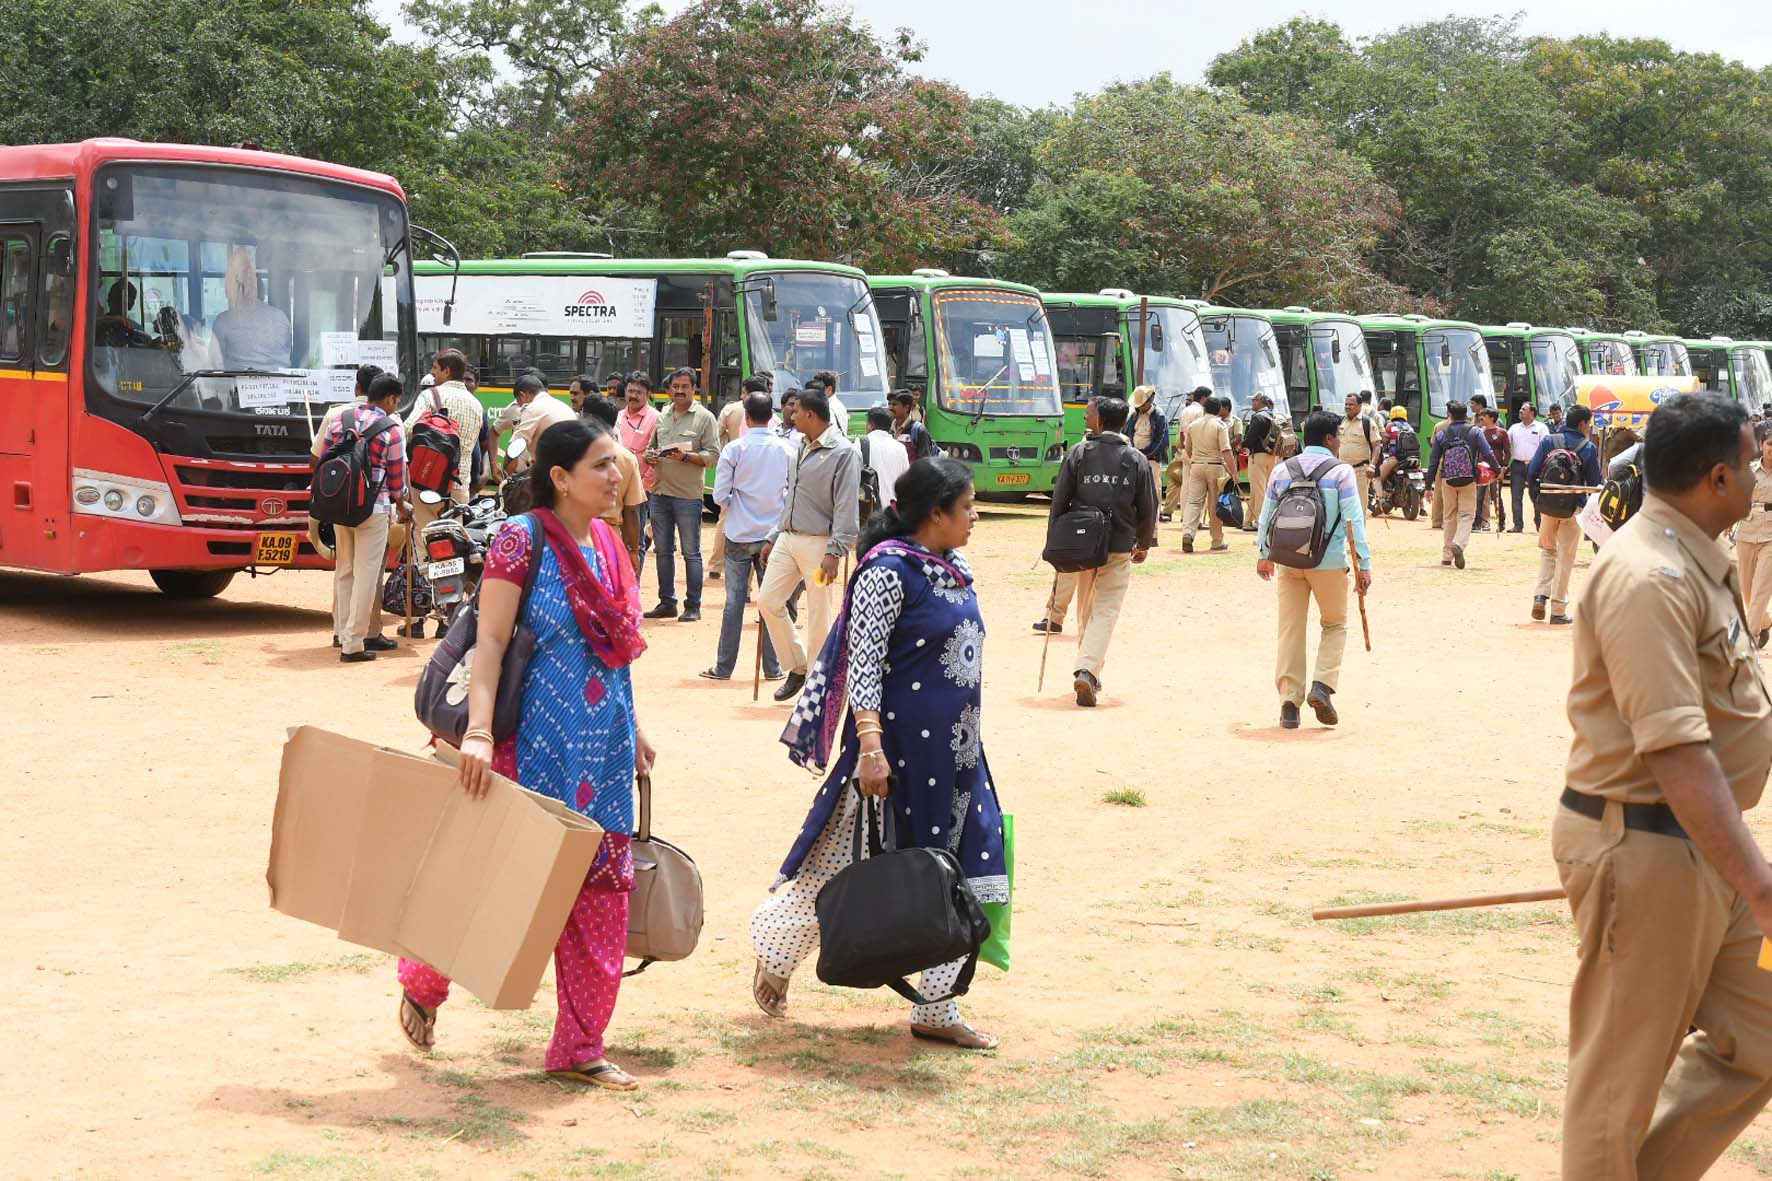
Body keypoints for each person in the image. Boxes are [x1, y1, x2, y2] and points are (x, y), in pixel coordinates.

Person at [396, 418, 654, 1093]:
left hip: (599, 753)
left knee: (600, 895)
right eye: (601, 465)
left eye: (617, 464)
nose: (615, 476)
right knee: (483, 880)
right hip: (528, 748)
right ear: (561, 476)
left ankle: (579, 1045)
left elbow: (612, 651)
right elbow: (490, 641)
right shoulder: (522, 537)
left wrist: (637, 728)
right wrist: (477, 730)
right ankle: (423, 983)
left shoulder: (609, 543)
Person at [1551, 392, 1772, 1179]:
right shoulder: (1649, 576)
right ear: (1717, 476)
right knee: (1618, 1084)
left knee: (1763, 1032)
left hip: (1707, 849)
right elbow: (1678, 754)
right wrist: (1761, 882)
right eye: (1751, 461)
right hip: (1647, 850)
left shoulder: (1695, 559)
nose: (1758, 472)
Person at [750, 458, 1004, 1050]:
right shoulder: (887, 572)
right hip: (890, 753)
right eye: (966, 507)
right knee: (852, 868)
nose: (974, 516)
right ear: (935, 513)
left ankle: (937, 1009)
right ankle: (775, 948)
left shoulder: (955, 568)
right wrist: (870, 747)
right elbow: (862, 662)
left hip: (958, 752)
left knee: (959, 869)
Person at [1254, 409, 1373, 728]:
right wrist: (1364, 565)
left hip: (1288, 559)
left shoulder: (1282, 470)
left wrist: (1264, 554)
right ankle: (1321, 685)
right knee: (1334, 624)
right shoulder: (1341, 472)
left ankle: (1289, 704)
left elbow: (1266, 516)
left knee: (1290, 629)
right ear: (1331, 438)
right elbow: (1353, 520)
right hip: (1329, 560)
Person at [1048, 396, 1156, 706]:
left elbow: (1059, 500)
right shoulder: (1135, 459)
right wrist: (1145, 543)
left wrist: (1055, 543)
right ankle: (1088, 670)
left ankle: (1089, 668)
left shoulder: (1078, 453)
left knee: (1086, 610)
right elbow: (1148, 506)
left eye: (1088, 414)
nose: (1085, 419)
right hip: (1119, 546)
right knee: (1105, 610)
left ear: (1099, 420)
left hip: (1081, 545)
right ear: (1124, 423)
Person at [756, 391, 859, 701]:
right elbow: (792, 498)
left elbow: (845, 506)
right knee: (768, 601)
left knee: (819, 615)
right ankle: (799, 666)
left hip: (820, 545)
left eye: (796, 411)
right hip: (787, 538)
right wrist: (774, 535)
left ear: (811, 415)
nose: (791, 415)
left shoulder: (844, 452)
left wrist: (835, 551)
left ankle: (818, 684)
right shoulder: (799, 446)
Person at [703, 392, 793, 681]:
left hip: (739, 534)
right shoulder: (787, 450)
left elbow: (719, 496)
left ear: (747, 414)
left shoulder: (734, 450)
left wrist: (738, 506)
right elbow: (792, 494)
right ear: (772, 416)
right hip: (773, 536)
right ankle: (774, 667)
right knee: (772, 602)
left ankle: (724, 667)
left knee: (734, 603)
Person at [320, 374, 408, 662]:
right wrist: (403, 506)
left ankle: (340, 632)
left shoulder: (339, 420)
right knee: (367, 575)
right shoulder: (391, 430)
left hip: (338, 505)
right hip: (373, 509)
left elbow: (324, 459)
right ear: (391, 399)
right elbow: (397, 482)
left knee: (345, 570)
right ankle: (353, 643)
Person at [642, 367, 719, 622]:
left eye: (684, 386)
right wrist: (650, 456)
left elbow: (713, 456)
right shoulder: (663, 415)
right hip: (660, 493)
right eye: (675, 386)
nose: (679, 391)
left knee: (691, 552)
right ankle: (667, 602)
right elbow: (651, 448)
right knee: (662, 551)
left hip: (688, 496)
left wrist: (686, 457)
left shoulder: (705, 418)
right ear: (669, 388)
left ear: (693, 389)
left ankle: (693, 605)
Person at [1528, 403, 1602, 623]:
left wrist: (1538, 501)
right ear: (1581, 424)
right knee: (1565, 557)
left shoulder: (1549, 441)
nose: (1588, 428)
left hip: (1548, 506)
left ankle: (1540, 596)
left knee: (1548, 552)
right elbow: (1594, 482)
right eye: (1588, 424)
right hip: (1572, 509)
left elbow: (1532, 473)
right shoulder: (1587, 448)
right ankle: (1558, 610)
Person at [1035, 398, 1102, 635]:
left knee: (1094, 581)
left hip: (1102, 526)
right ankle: (1054, 616)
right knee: (1066, 570)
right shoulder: (1081, 447)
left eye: (1089, 413)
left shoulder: (1122, 450)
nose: (1084, 417)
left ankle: (1089, 625)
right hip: (1077, 521)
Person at [1424, 400, 1498, 570]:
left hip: (1447, 479)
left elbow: (1433, 461)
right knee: (1466, 515)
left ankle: (1446, 555)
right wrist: (1497, 469)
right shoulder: (1475, 432)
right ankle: (1458, 543)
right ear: (1467, 415)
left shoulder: (1442, 435)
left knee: (1449, 515)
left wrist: (1428, 486)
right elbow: (1488, 453)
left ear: (1449, 415)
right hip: (1468, 479)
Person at [710, 376, 771, 580]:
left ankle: (716, 566)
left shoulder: (730, 410)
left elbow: (717, 437)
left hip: (735, 475)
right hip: (766, 488)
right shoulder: (775, 421)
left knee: (724, 520)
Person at [582, 395, 649, 570]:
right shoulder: (627, 457)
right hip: (611, 538)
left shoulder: (572, 451)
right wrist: (633, 550)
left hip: (577, 533)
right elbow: (632, 510)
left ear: (588, 418)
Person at [213, 247, 292, 370]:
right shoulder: (281, 317)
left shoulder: (223, 321)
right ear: (261, 290)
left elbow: (216, 364)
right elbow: (287, 351)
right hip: (281, 387)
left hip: (236, 387)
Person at [1181, 395, 1237, 554]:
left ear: (1204, 409)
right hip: (1216, 466)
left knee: (1193, 502)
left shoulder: (1193, 425)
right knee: (1214, 504)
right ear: (1219, 410)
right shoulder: (1220, 425)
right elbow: (1226, 450)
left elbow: (1188, 449)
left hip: (1196, 466)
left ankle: (1188, 533)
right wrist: (1233, 472)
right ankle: (1217, 541)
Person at [1737, 420, 1772, 650]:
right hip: (1746, 533)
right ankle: (1766, 621)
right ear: (1762, 445)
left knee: (1760, 591)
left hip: (1771, 537)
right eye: (1770, 444)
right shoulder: (1748, 471)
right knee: (1747, 592)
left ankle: (1749, 641)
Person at [618, 374, 661, 560]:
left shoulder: (656, 418)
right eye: (630, 391)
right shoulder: (618, 416)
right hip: (617, 486)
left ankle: (633, 583)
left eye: (639, 392)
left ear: (648, 394)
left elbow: (657, 457)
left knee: (635, 541)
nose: (633, 395)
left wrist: (643, 485)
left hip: (640, 489)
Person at [1165, 387, 1211, 523]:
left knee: (1185, 485)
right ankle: (1195, 519)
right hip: (1198, 453)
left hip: (1185, 451)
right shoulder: (1201, 412)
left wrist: (1186, 448)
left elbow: (1181, 434)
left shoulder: (1185, 411)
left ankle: (1185, 516)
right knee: (1199, 487)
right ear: (1203, 398)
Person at [510, 373, 576, 464]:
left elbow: (514, 448)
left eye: (519, 402)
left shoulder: (532, 408)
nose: (520, 407)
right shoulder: (565, 407)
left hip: (550, 468)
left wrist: (506, 474)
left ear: (522, 396)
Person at [1507, 402, 1548, 533]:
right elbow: (1506, 443)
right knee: (1516, 495)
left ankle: (1539, 524)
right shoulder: (1514, 428)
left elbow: (1546, 447)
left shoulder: (1541, 428)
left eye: (1523, 409)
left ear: (1532, 413)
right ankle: (1517, 525)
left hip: (1535, 465)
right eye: (1520, 408)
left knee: (1536, 494)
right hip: (1517, 464)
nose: (1520, 411)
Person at [1338, 392, 1383, 511]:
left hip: (1360, 471)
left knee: (1359, 506)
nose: (1347, 407)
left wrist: (1372, 466)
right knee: (1342, 505)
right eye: (1346, 404)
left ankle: (1359, 529)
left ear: (1360, 406)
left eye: (1351, 404)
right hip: (1342, 470)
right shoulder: (1341, 422)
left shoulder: (1367, 423)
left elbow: (1376, 447)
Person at [861, 406, 910, 512]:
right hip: (892, 510)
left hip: (869, 508)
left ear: (871, 425)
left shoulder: (860, 443)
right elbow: (906, 481)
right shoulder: (900, 448)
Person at [1243, 393, 1281, 527]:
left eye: (1254, 401)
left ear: (1261, 402)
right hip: (1273, 456)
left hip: (1257, 456)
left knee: (1259, 490)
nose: (1252, 403)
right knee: (1260, 488)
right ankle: (1247, 521)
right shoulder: (1275, 416)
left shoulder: (1258, 417)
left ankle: (1261, 522)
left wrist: (1242, 445)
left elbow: (1250, 438)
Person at [1473, 407, 1512, 532]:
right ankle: (1477, 522)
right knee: (1479, 496)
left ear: (1492, 418)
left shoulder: (1501, 432)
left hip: (1496, 469)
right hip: (1481, 468)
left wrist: (1504, 468)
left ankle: (1501, 521)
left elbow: (1507, 452)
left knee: (1496, 496)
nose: (1481, 418)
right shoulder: (1479, 432)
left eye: (1484, 415)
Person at [1127, 385, 1168, 498]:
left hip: (1151, 460)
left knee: (1153, 489)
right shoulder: (1134, 415)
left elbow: (1161, 442)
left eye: (1142, 404)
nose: (1140, 407)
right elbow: (1129, 434)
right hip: (1135, 458)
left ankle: (1154, 515)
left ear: (1151, 400)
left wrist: (1144, 456)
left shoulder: (1159, 416)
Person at [890, 391, 936, 461]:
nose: (890, 408)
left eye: (894, 404)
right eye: (889, 404)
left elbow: (924, 462)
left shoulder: (919, 430)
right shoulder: (888, 429)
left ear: (906, 407)